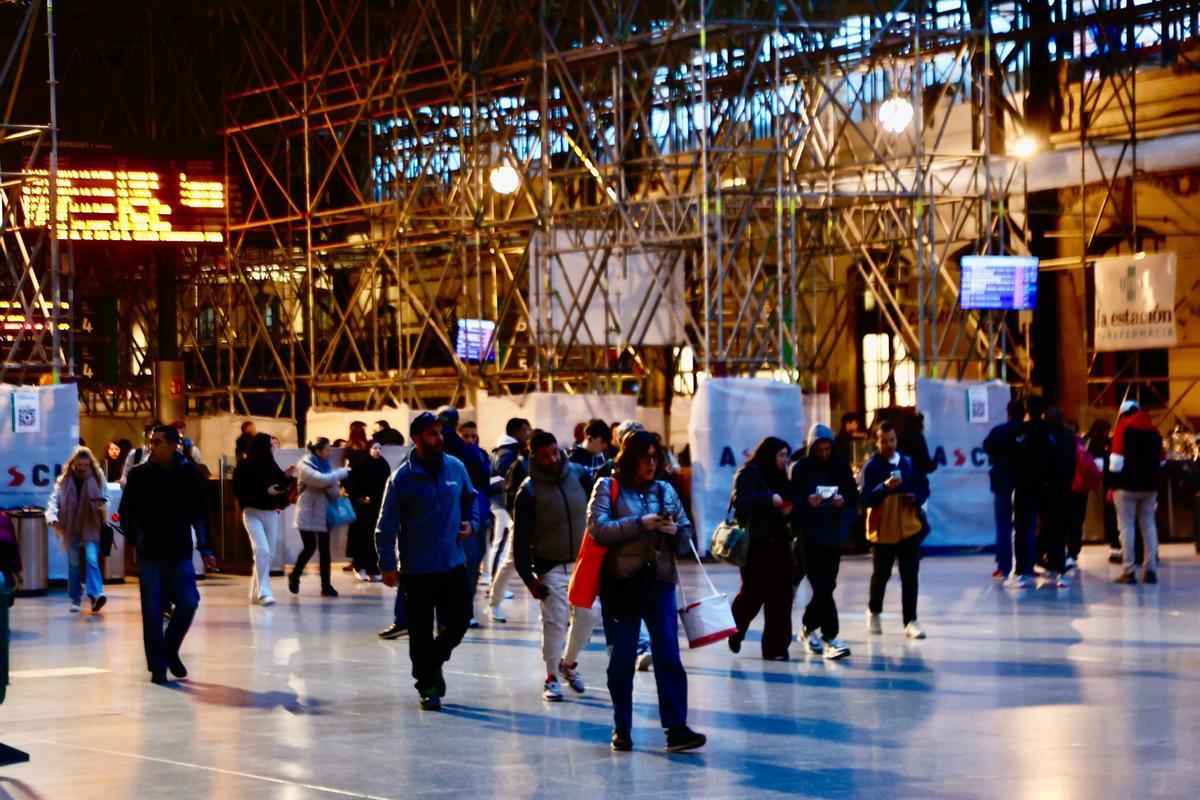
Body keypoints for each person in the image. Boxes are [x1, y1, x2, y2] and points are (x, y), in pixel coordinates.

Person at [587, 430, 705, 753]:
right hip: (622, 584)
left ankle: (676, 728)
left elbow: (687, 534)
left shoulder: (665, 489)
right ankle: (622, 726)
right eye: (645, 457)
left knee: (668, 655)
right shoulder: (607, 487)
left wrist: (674, 531)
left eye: (656, 457)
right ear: (630, 459)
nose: (651, 463)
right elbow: (597, 528)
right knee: (622, 660)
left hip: (660, 583)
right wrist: (642, 523)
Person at [375, 412, 480, 711]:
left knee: (459, 622)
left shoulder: (456, 468)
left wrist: (471, 523)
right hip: (417, 571)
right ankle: (427, 685)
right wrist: (387, 564)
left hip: (452, 564)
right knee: (420, 632)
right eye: (432, 434)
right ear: (417, 439)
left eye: (440, 432)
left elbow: (471, 500)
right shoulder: (401, 479)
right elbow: (385, 526)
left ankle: (431, 664)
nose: (439, 438)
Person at [119, 425, 217, 684]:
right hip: (150, 552)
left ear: (174, 445)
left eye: (159, 441)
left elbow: (200, 513)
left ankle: (170, 648)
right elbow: (126, 513)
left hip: (179, 550)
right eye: (151, 440)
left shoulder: (189, 474)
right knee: (152, 611)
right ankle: (158, 666)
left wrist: (206, 549)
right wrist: (139, 539)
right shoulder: (139, 476)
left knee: (188, 602)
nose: (152, 445)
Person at [512, 431, 598, 701]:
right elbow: (520, 541)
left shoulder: (580, 475)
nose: (552, 458)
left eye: (555, 452)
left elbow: (598, 516)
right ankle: (551, 677)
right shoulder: (528, 491)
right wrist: (529, 579)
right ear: (534, 457)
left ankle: (568, 664)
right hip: (551, 568)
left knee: (588, 617)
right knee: (555, 623)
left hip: (583, 564)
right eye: (545, 455)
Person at [790, 424, 858, 659]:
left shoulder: (839, 467)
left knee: (827, 586)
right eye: (820, 449)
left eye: (828, 449)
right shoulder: (801, 469)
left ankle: (808, 628)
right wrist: (808, 502)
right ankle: (831, 636)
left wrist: (842, 500)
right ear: (811, 448)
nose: (824, 454)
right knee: (821, 586)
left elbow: (853, 495)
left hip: (832, 535)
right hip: (809, 538)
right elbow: (793, 499)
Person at [727, 436, 795, 661]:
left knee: (782, 595)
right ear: (770, 454)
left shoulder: (781, 476)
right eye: (781, 455)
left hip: (779, 542)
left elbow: (786, 499)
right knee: (753, 593)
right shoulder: (748, 472)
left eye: (786, 455)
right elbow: (739, 500)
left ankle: (776, 648)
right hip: (755, 543)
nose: (784, 460)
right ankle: (735, 630)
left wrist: (787, 509)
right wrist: (769, 499)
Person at [862, 422, 930, 639]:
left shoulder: (908, 462)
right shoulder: (872, 467)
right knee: (881, 575)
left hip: (909, 527)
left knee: (910, 575)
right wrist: (885, 487)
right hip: (883, 529)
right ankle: (874, 611)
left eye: (892, 440)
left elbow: (923, 487)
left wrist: (916, 497)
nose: (889, 445)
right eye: (884, 441)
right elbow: (866, 498)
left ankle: (910, 620)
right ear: (876, 442)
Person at [436, 407, 492, 626]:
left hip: (448, 517)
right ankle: (461, 612)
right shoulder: (468, 453)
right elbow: (483, 478)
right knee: (468, 564)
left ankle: (444, 616)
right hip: (467, 516)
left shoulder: (427, 448)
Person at [1009, 397, 1073, 588]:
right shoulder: (1051, 433)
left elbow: (1013, 458)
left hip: (1024, 488)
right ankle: (1060, 571)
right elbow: (1061, 459)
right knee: (1055, 528)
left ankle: (1021, 572)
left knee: (1021, 529)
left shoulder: (1021, 432)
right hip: (1048, 487)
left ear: (1028, 409)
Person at [46, 447, 110, 614]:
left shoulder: (97, 476)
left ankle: (96, 594)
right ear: (74, 463)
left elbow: (107, 497)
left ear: (91, 464)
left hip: (91, 524)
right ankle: (75, 597)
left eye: (86, 464)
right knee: (74, 564)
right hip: (71, 525)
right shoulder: (65, 479)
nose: (83, 468)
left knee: (92, 559)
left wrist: (101, 504)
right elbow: (55, 500)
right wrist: (52, 516)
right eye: (80, 464)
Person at [232, 433, 294, 606]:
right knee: (263, 550)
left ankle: (255, 592)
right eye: (271, 445)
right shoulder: (243, 467)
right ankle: (264, 592)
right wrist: (266, 492)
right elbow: (240, 491)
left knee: (268, 553)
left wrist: (287, 478)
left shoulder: (271, 464)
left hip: (270, 513)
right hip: (252, 513)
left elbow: (278, 484)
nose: (274, 448)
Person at [1109, 400, 1163, 585]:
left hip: (1126, 487)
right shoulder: (1154, 431)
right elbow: (1162, 461)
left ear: (1124, 415)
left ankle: (1129, 570)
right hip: (1150, 487)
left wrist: (1113, 484)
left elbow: (1115, 462)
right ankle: (1151, 570)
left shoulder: (1123, 428)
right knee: (1149, 526)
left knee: (1126, 528)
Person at [291, 438, 352, 597]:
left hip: (324, 513)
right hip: (307, 513)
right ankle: (295, 575)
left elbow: (333, 491)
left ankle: (326, 586)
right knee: (310, 548)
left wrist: (331, 480)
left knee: (325, 551)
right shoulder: (304, 466)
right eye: (327, 449)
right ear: (317, 451)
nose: (329, 452)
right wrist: (341, 473)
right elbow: (321, 480)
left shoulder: (326, 465)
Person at [982, 399, 1025, 580]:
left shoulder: (998, 431)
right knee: (1026, 524)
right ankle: (1026, 565)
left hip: (1001, 481)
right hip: (1024, 482)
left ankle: (1004, 566)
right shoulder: (1027, 431)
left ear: (1008, 413)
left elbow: (987, 447)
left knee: (1003, 524)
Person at [346, 440, 390, 581]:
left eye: (379, 448)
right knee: (361, 537)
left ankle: (373, 568)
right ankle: (359, 567)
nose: (377, 450)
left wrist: (377, 499)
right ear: (368, 449)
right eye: (374, 448)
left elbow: (386, 485)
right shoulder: (361, 464)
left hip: (376, 507)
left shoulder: (383, 465)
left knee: (374, 538)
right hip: (361, 507)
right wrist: (360, 497)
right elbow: (349, 480)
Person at [121, 421, 160, 488]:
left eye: (157, 440)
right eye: (151, 434)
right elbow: (123, 481)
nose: (152, 439)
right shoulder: (135, 454)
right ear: (146, 436)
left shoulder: (165, 456)